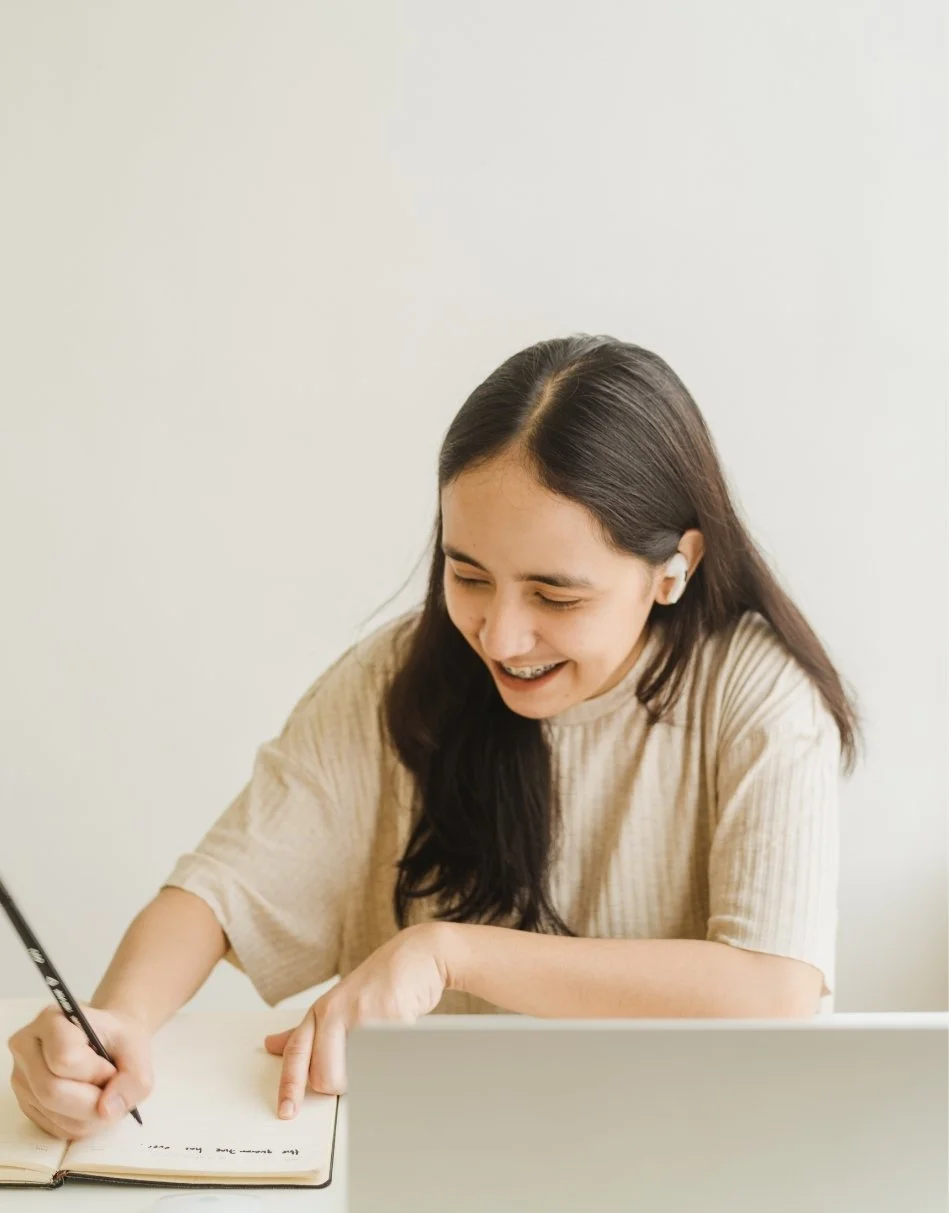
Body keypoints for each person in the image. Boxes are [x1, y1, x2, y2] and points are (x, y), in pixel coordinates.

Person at [8, 334, 861, 1140]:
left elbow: (773, 990)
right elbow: (222, 892)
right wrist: (115, 1022)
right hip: (427, 1156)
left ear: (673, 568)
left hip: (677, 1153)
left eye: (555, 597)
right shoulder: (395, 680)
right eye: (468, 576)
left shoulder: (757, 696)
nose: (500, 635)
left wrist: (451, 954)